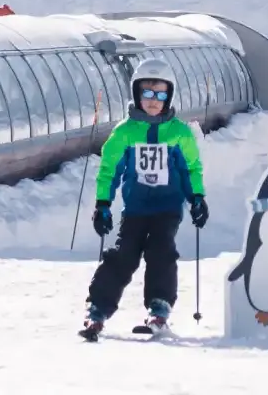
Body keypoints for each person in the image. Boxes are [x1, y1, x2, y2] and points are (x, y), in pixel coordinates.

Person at [81, 58, 208, 340]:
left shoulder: (178, 133)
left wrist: (197, 197)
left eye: (160, 94)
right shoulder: (125, 133)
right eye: (147, 93)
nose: (153, 100)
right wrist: (103, 204)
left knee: (161, 251)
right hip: (136, 208)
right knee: (122, 254)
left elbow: (190, 169)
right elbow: (109, 170)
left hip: (167, 208)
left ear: (169, 96)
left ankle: (159, 307)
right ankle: (97, 309)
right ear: (137, 94)